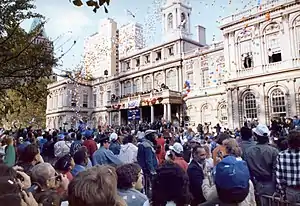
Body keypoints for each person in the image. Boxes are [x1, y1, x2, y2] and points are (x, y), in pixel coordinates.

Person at [244, 124, 278, 205]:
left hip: (257, 185)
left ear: (255, 136)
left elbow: (248, 172)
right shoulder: (274, 151)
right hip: (271, 185)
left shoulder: (248, 151)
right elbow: (275, 171)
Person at [276, 130, 300, 203]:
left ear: (288, 142)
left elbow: (279, 177)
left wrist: (282, 193)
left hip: (291, 191)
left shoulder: (281, 155)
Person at [137, 130, 158, 197]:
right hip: (148, 172)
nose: (155, 137)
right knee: (148, 187)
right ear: (149, 136)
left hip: (143, 170)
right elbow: (149, 161)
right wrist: (153, 171)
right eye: (153, 135)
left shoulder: (142, 144)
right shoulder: (147, 146)